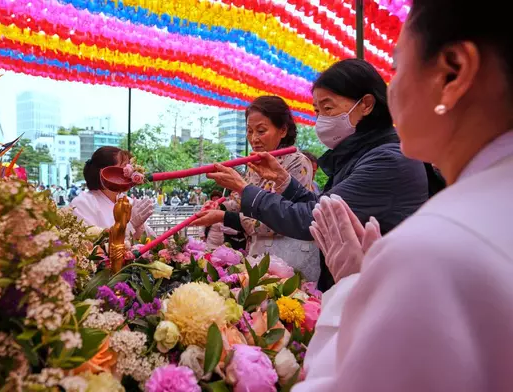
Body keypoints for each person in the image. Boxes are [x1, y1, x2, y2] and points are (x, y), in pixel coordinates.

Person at [294, 1, 513, 391]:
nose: (390, 89)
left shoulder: (431, 249)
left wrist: (350, 288)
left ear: (453, 72)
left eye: (396, 67)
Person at [197, 60, 436, 291]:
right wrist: (285, 183)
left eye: (329, 108)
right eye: (318, 111)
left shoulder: (387, 160)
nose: (321, 120)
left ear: (366, 105)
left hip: (384, 289)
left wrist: (244, 191)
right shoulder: (356, 155)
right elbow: (320, 204)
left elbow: (312, 217)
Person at [193, 96, 321, 281]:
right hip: (258, 254)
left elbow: (278, 218)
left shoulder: (297, 162)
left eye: (261, 131)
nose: (254, 139)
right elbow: (239, 203)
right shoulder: (255, 164)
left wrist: (224, 217)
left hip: (290, 259)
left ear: (283, 130)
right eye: (249, 131)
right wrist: (218, 207)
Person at [70, 146, 155, 239]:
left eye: (131, 166)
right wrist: (131, 224)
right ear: (104, 172)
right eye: (125, 166)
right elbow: (95, 245)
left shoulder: (127, 201)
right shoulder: (82, 203)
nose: (131, 172)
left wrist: (141, 225)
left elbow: (152, 239)